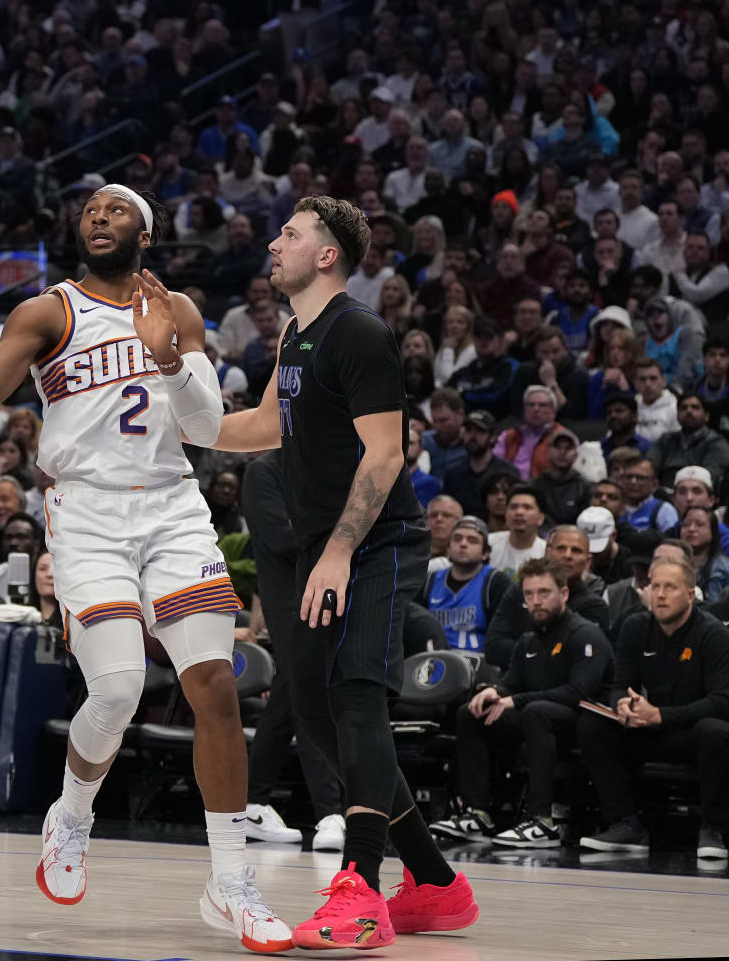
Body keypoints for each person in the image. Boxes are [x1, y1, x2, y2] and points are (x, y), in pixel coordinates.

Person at [0, 185, 290, 949]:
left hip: (172, 505)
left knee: (214, 684)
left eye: (117, 210)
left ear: (146, 233)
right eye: (90, 209)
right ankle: (72, 813)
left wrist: (169, 358)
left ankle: (230, 881)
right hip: (86, 511)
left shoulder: (178, 312)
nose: (98, 215)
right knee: (116, 688)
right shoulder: (48, 312)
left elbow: (208, 426)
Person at [213, 195, 477, 947]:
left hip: (377, 545)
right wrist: (172, 422)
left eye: (290, 235)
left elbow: (386, 454)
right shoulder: (296, 333)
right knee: (323, 722)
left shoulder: (359, 332)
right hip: (325, 548)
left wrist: (335, 552)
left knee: (358, 698)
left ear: (327, 255)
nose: (274, 243)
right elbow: (265, 426)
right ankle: (434, 882)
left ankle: (358, 889)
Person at [433, 556, 611, 848]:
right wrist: (495, 691)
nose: (536, 601)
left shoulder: (585, 634)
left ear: (563, 594)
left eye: (544, 593)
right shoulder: (527, 640)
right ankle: (477, 813)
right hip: (537, 717)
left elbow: (580, 691)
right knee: (471, 712)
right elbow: (512, 684)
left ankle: (543, 820)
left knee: (536, 711)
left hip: (585, 723)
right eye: (529, 594)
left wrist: (515, 699)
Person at [577, 551, 729, 859]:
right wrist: (622, 705)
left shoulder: (713, 634)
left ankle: (713, 829)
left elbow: (721, 702)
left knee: (716, 731)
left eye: (670, 588)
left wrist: (660, 715)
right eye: (655, 586)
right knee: (592, 724)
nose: (660, 595)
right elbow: (619, 685)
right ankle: (626, 823)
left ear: (690, 595)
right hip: (648, 729)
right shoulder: (635, 627)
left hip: (689, 733)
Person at [240, 453, 347, 853]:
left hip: (328, 590)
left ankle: (251, 803)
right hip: (288, 597)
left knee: (288, 696)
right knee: (307, 692)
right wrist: (344, 534)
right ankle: (330, 813)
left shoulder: (325, 465)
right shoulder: (263, 472)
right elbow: (284, 538)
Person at [422, 516, 515, 655]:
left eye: (472, 540)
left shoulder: (495, 582)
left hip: (480, 666)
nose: (463, 544)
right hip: (434, 663)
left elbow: (502, 636)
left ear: (485, 553)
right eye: (457, 539)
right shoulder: (429, 581)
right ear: (448, 549)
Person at [487, 486, 547, 574]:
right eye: (513, 507)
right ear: (506, 514)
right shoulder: (489, 542)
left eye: (527, 507)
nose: (519, 512)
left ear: (541, 518)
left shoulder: (545, 552)